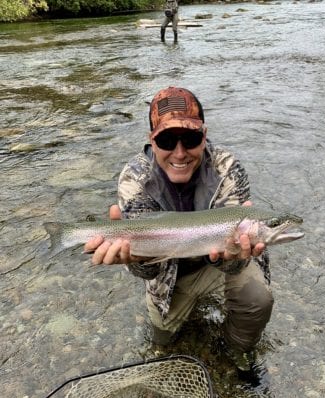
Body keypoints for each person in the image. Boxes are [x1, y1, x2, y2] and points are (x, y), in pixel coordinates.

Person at [84, 87, 274, 377]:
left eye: (191, 138)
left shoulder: (227, 168)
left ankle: (236, 350)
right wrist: (134, 261)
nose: (180, 152)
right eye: (167, 140)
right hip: (167, 274)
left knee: (257, 299)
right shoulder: (136, 178)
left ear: (205, 134)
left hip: (218, 266)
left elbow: (238, 260)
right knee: (162, 338)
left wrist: (233, 255)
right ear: (152, 140)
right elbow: (147, 272)